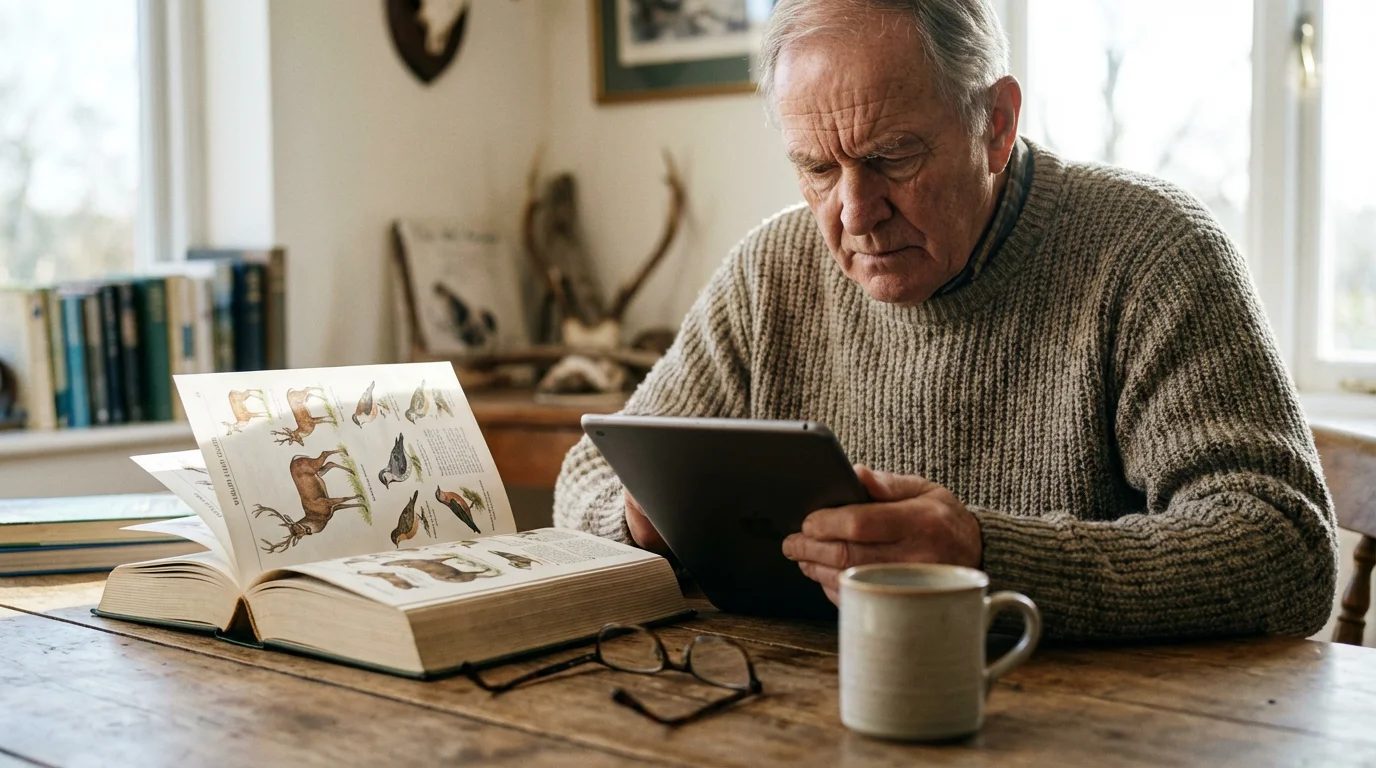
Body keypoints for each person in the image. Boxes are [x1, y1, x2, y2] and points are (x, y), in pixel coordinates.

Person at [553, 0, 1338, 640]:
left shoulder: (1150, 253)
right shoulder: (773, 270)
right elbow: (591, 470)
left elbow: (1285, 548)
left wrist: (988, 558)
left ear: (995, 124)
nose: (855, 213)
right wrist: (633, 520)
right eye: (818, 168)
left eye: (893, 157)